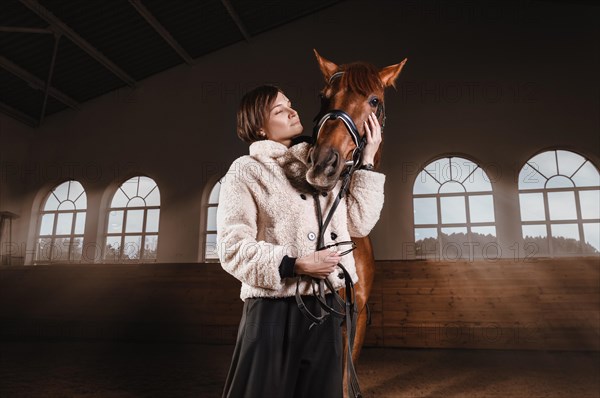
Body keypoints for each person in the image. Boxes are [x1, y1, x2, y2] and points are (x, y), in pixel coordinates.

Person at [217, 85, 385, 398]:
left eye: (290, 104)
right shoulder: (245, 171)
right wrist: (294, 264)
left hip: (326, 309)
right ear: (260, 127)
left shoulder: (318, 165)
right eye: (280, 110)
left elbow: (357, 223)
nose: (293, 111)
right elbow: (231, 248)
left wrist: (369, 160)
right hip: (272, 312)